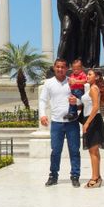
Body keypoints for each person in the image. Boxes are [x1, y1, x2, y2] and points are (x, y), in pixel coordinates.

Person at [39, 58, 82, 187]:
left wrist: (77, 101)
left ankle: (75, 176)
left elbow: (82, 100)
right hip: (56, 123)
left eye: (63, 67)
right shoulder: (48, 83)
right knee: (55, 151)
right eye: (58, 67)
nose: (60, 69)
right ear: (54, 67)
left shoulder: (72, 81)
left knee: (74, 150)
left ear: (67, 68)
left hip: (72, 122)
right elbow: (42, 100)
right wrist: (42, 115)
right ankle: (53, 176)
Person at [53, 0, 98, 67]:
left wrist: (87, 7)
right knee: (66, 31)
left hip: (81, 11)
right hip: (68, 11)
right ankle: (59, 60)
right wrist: (76, 9)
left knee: (81, 35)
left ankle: (79, 61)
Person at [81, 69, 104, 188]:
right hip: (92, 119)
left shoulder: (93, 88)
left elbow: (95, 107)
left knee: (93, 150)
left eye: (90, 74)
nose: (87, 76)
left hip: (92, 120)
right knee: (94, 150)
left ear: (96, 77)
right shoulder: (92, 88)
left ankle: (95, 178)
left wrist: (87, 123)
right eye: (87, 74)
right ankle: (97, 176)